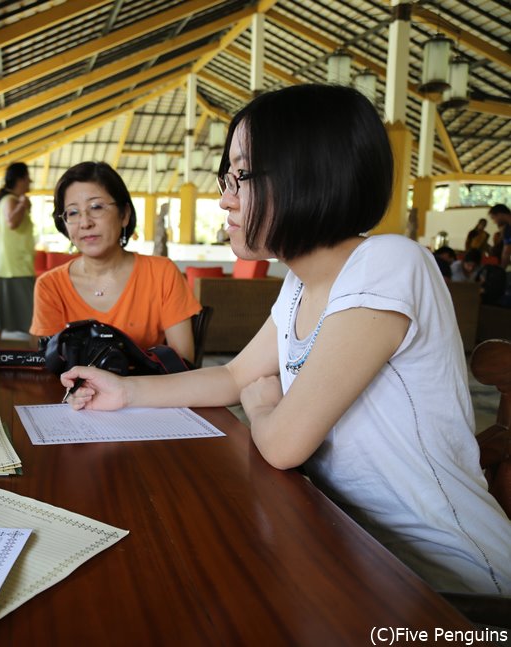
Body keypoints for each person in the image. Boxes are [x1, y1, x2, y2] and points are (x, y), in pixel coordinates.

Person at [60, 84, 511, 596]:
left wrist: (267, 404)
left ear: (310, 173)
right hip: (350, 551)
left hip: (455, 585)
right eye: (225, 177)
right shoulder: (299, 283)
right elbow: (235, 375)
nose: (224, 197)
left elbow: (282, 445)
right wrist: (125, 390)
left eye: (241, 176)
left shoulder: (388, 263)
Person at [30, 161, 200, 362]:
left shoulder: (162, 273)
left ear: (124, 215)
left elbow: (182, 362)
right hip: (75, 394)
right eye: (73, 212)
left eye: (96, 207)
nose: (85, 223)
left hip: (148, 392)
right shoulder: (50, 286)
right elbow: (51, 367)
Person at [0, 162, 35, 350]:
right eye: (28, 177)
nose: (30, 181)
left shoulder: (5, 200)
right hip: (15, 267)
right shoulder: (11, 201)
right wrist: (23, 203)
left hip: (3, 266)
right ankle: (37, 355)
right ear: (20, 179)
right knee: (33, 315)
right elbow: (12, 222)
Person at [488, 204, 511, 268]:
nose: (494, 222)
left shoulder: (508, 230)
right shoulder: (507, 229)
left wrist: (502, 270)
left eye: (493, 218)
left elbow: (506, 253)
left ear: (500, 214)